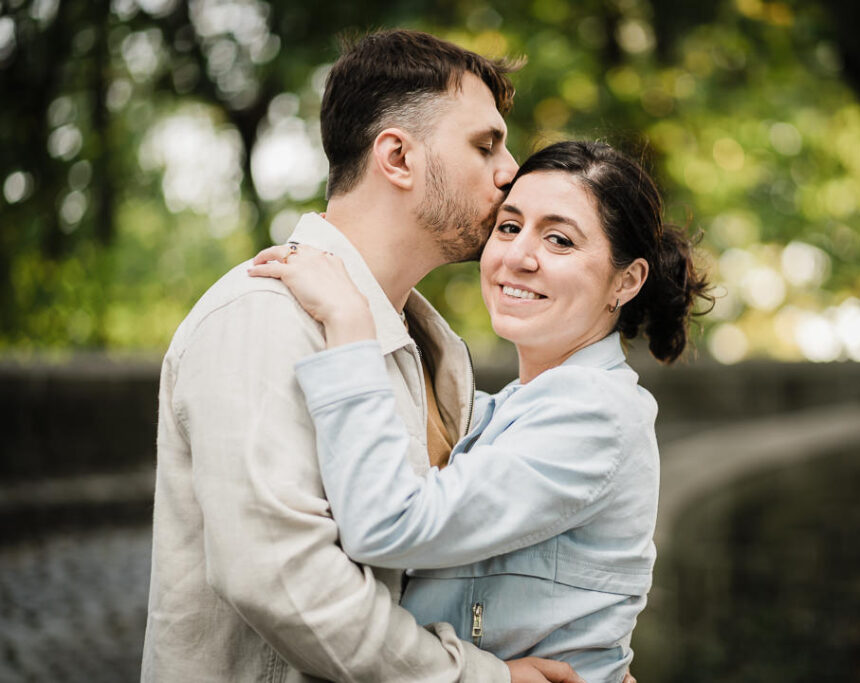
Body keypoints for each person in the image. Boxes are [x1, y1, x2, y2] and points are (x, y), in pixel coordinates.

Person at [142, 29, 586, 682]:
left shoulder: (434, 349)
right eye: (485, 144)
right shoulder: (264, 314)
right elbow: (281, 578)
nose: (509, 170)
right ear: (398, 157)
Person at [248, 141, 713, 681]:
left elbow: (389, 525)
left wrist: (352, 326)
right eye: (510, 227)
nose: (518, 257)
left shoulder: (596, 413)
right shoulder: (509, 407)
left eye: (559, 240)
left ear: (626, 281)